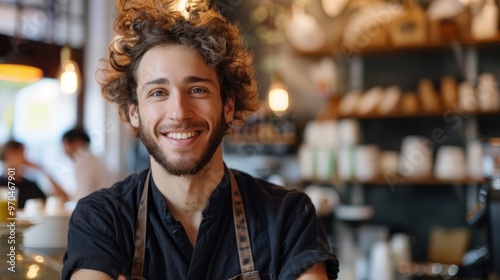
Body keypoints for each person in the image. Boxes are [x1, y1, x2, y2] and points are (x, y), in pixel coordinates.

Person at [62, 0, 339, 279]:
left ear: (228, 106)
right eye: (158, 93)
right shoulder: (101, 218)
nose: (180, 112)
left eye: (197, 90)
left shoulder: (289, 216)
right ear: (134, 112)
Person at [0, 140, 68, 208]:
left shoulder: (30, 186)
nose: (24, 158)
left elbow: (63, 198)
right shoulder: (2, 185)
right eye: (21, 153)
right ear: (9, 153)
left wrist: (43, 170)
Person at [61, 128, 111, 201]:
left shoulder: (84, 161)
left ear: (76, 142)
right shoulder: (90, 158)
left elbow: (81, 196)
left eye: (66, 145)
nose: (64, 151)